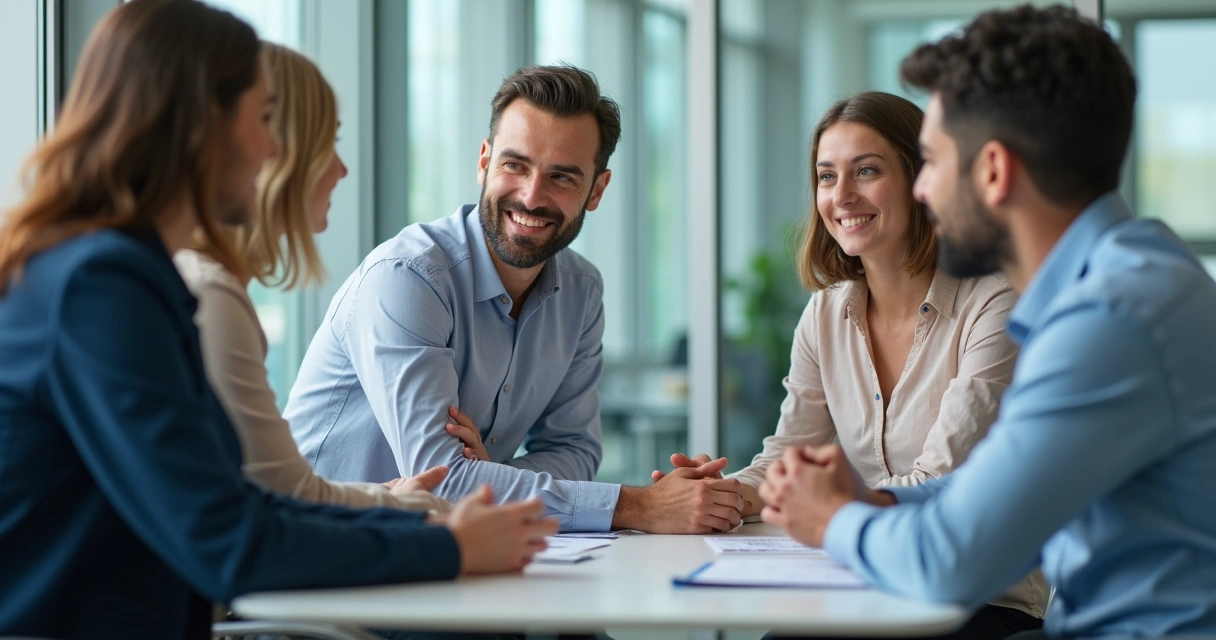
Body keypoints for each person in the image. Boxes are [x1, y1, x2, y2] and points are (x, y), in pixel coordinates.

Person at [0, 2, 554, 638]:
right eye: (263, 118)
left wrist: (423, 524)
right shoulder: (101, 288)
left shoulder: (118, 275)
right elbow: (229, 542)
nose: (271, 149)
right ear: (199, 126)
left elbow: (235, 508)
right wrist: (450, 549)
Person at [760, 5, 1216, 639]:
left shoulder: (1109, 322)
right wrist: (876, 501)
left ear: (995, 171)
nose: (922, 191)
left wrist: (835, 519)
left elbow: (950, 559)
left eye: (935, 163)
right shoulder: (1128, 279)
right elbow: (989, 489)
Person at [286, 64, 744, 534]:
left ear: (596, 190)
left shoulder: (581, 292)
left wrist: (489, 481)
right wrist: (640, 506)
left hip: (432, 557)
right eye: (515, 165)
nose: (531, 196)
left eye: (562, 177)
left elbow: (577, 453)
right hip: (319, 557)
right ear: (484, 162)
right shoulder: (409, 278)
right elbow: (441, 484)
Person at [655, 91, 1044, 639]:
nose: (843, 196)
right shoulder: (826, 312)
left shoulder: (993, 303)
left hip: (979, 597)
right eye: (826, 176)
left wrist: (829, 507)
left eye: (866, 171)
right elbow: (788, 456)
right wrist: (716, 496)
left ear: (920, 180)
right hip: (866, 578)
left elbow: (941, 482)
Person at [174, 41, 448, 514]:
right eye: (327, 144)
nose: (341, 170)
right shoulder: (207, 295)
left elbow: (264, 491)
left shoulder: (208, 285)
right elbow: (276, 499)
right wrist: (420, 512)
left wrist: (389, 499)